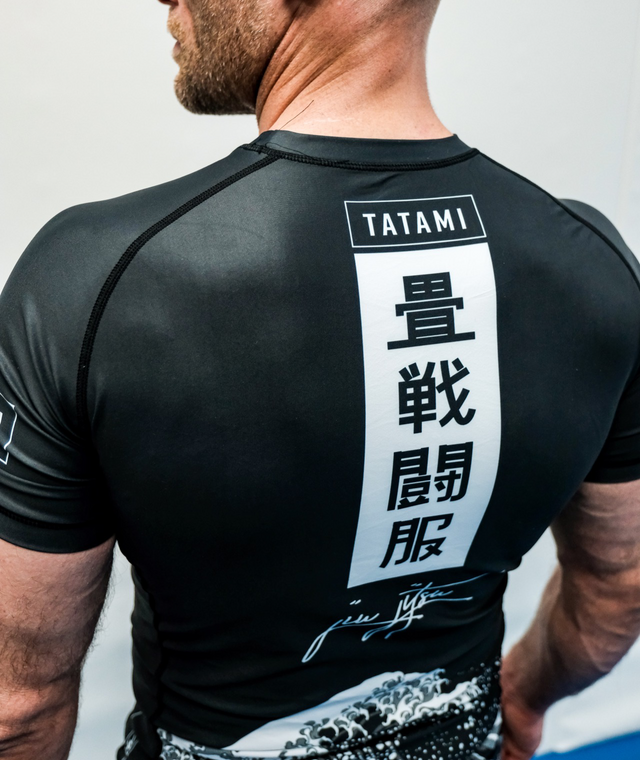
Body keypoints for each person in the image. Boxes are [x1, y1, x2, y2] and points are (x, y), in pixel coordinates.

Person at [0, 1, 639, 759]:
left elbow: (18, 705)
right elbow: (619, 586)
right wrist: (524, 699)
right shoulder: (592, 263)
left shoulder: (94, 277)